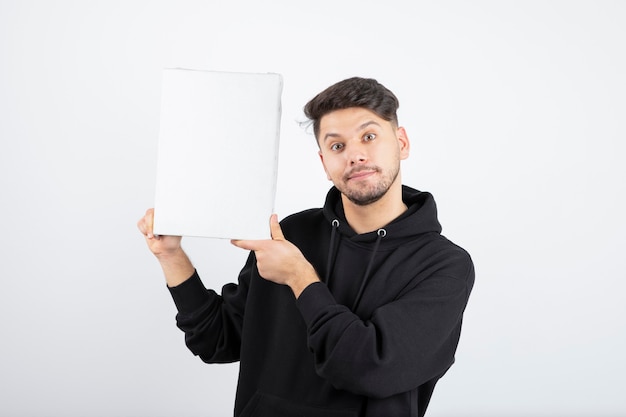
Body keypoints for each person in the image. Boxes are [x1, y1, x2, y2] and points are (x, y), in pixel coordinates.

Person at [137, 77, 475, 417]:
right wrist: (171, 256)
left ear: (401, 143)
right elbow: (218, 339)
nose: (355, 155)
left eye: (369, 137)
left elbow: (369, 369)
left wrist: (300, 278)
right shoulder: (292, 235)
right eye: (337, 146)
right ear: (324, 163)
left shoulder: (444, 266)